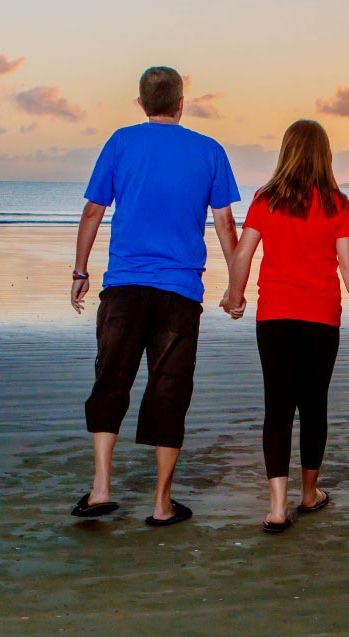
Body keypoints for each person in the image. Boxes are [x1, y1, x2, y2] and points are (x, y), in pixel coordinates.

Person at [69, 66, 240, 525]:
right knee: (170, 390)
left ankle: (100, 489)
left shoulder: (121, 143)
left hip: (124, 288)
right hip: (178, 293)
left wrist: (80, 270)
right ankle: (162, 504)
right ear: (182, 103)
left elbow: (92, 211)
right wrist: (237, 285)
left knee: (111, 381)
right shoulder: (209, 150)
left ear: (142, 103)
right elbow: (225, 224)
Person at [221, 120, 349, 533]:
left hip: (274, 317)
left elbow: (243, 253)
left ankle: (276, 508)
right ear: (324, 155)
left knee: (277, 407)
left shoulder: (265, 199)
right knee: (313, 406)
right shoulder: (337, 203)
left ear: (286, 152)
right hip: (320, 318)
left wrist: (235, 296)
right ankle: (308, 494)